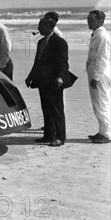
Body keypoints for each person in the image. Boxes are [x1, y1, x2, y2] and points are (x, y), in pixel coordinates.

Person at [25, 18, 71, 147]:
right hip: (42, 80)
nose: (38, 29)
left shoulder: (60, 42)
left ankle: (60, 137)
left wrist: (60, 77)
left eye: (40, 26)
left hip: (55, 81)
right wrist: (30, 76)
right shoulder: (40, 42)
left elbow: (63, 63)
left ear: (48, 26)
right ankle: (49, 135)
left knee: (57, 109)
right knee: (46, 108)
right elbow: (37, 62)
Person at [86, 10, 110, 144]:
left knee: (102, 104)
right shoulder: (97, 34)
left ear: (100, 21)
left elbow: (103, 59)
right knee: (98, 104)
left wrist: (95, 77)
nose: (88, 22)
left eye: (91, 20)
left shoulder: (102, 36)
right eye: (88, 19)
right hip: (96, 74)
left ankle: (106, 134)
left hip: (100, 75)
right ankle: (103, 131)